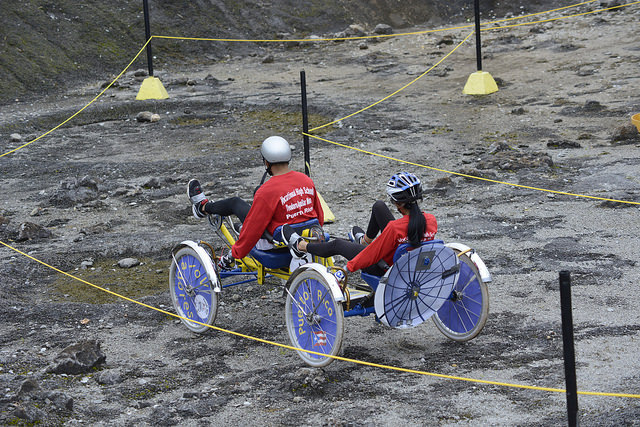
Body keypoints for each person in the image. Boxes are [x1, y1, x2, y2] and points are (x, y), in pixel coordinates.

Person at [188, 136, 324, 267]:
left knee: (235, 203)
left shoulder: (267, 190)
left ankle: (202, 207)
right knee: (259, 198)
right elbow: (319, 216)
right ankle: (225, 219)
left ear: (266, 162)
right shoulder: (306, 180)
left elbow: (253, 229)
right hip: (306, 240)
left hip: (274, 245)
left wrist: (235, 253)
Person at [283, 172, 437, 276]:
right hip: (412, 265)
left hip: (384, 268)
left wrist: (346, 269)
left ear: (398, 204)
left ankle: (300, 246)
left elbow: (372, 254)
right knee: (379, 206)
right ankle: (364, 240)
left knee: (337, 244)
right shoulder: (431, 220)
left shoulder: (394, 228)